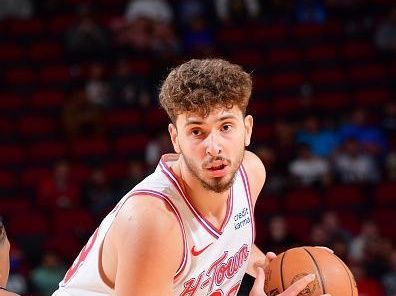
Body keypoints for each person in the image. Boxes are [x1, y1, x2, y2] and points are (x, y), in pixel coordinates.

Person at [1, 59, 330, 296]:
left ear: (247, 130)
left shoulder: (250, 173)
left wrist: (275, 269)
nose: (213, 147)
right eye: (197, 131)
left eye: (225, 127)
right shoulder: (154, 221)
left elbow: (227, 241)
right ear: (175, 139)